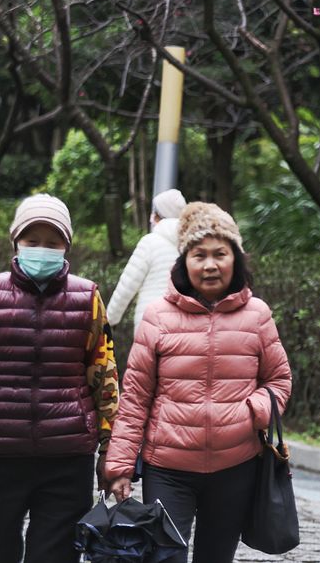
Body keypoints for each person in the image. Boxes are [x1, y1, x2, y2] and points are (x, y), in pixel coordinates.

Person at [0, 194, 119, 563]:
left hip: (66, 459)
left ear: (66, 246)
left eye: (52, 243)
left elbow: (105, 376)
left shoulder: (88, 299)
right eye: (32, 241)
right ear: (15, 243)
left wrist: (109, 449)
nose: (42, 250)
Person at [106, 202, 291, 563]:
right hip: (168, 468)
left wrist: (254, 410)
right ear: (183, 260)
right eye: (198, 254)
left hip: (235, 466)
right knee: (165, 558)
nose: (210, 265)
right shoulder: (157, 316)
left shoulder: (257, 315)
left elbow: (279, 379)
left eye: (220, 254)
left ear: (236, 258)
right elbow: (135, 399)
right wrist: (118, 467)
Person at [107, 188, 187, 328]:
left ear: (161, 216)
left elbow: (127, 285)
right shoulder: (193, 245)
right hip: (183, 326)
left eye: (155, 214)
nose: (152, 217)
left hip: (149, 322)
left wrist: (109, 319)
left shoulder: (149, 242)